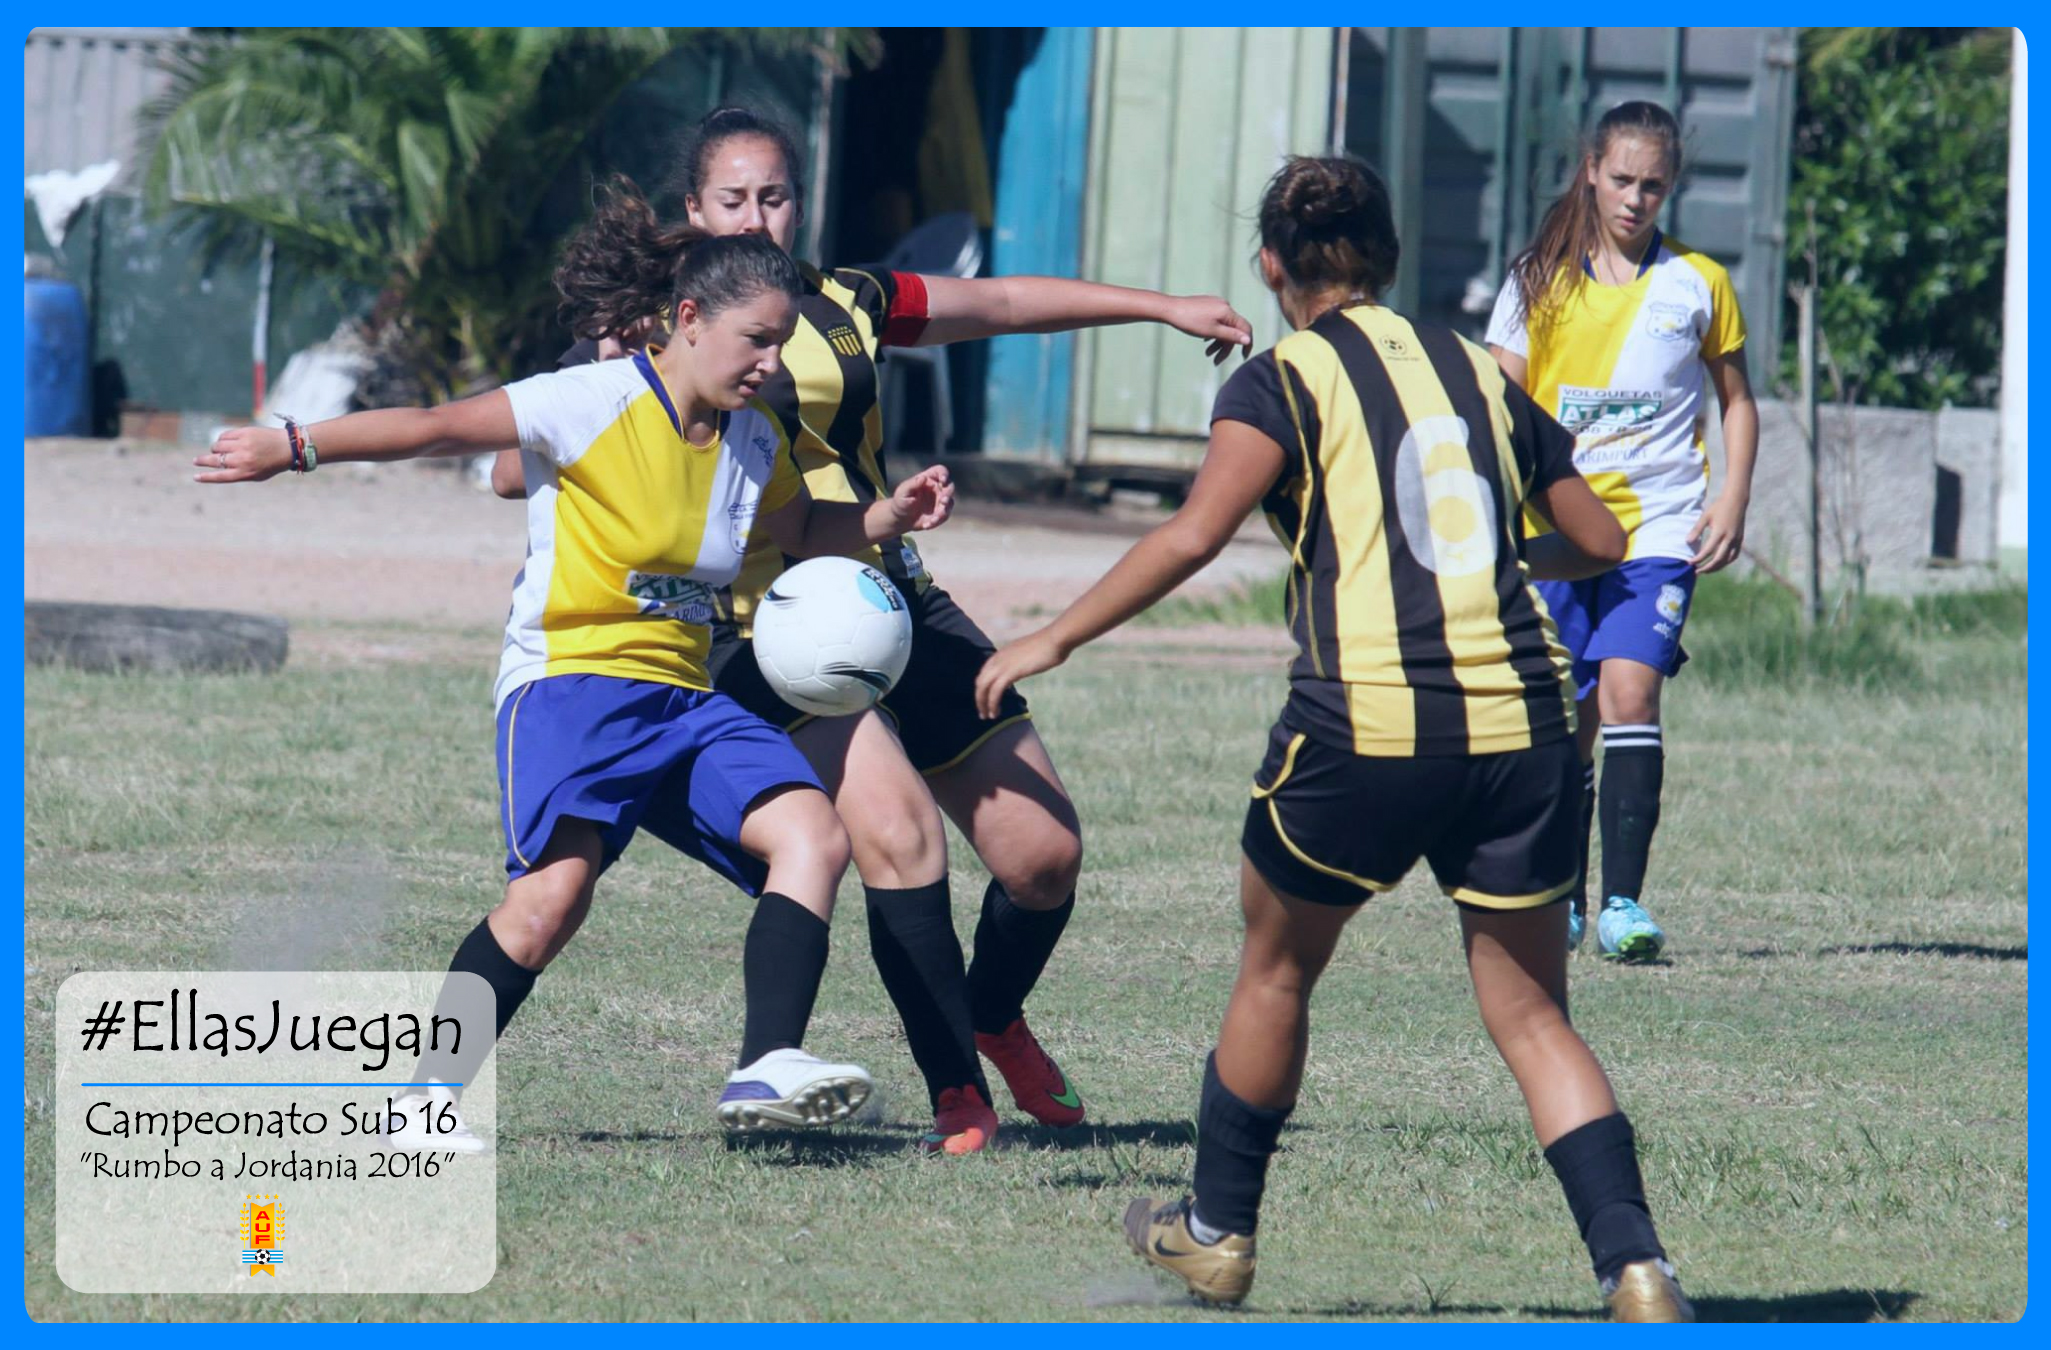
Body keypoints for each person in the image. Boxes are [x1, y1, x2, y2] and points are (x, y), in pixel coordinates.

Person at [976, 155, 1691, 1320]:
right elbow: (1601, 539)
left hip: (1363, 726)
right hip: (1518, 726)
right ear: (1391, 259)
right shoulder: (1483, 369)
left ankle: (1212, 1236)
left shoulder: (1277, 382)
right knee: (1530, 1014)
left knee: (1277, 967)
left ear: (1271, 267)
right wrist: (1504, 561)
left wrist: (1045, 640)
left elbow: (1191, 536)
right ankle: (1637, 1269)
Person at [492, 106, 1253, 1155]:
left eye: (774, 196)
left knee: (1042, 855)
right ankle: (955, 1094)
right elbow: (510, 461)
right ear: (693, 211)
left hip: (889, 592)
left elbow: (997, 302)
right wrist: (615, 373)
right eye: (732, 199)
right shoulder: (660, 327)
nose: (757, 216)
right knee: (892, 830)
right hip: (767, 627)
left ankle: (984, 1013)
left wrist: (1157, 307)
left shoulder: (842, 299)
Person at [197, 208, 958, 1145]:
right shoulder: (588, 400)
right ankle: (419, 1102)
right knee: (547, 905)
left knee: (812, 836)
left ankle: (765, 1069)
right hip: (572, 686)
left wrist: (890, 515)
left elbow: (800, 535)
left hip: (685, 698)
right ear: (687, 319)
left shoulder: (755, 434)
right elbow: (438, 426)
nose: (769, 361)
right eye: (754, 340)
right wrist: (297, 445)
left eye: (781, 343)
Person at [1485, 100, 1760, 961]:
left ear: (1668, 187)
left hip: (1660, 527)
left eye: (1653, 185)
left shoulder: (1697, 283)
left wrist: (1732, 499)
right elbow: (1498, 409)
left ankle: (1623, 907)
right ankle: (1561, 899)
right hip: (1561, 531)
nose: (1636, 200)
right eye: (1621, 181)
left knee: (1629, 692)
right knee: (1568, 723)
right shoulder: (1537, 279)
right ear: (1590, 174)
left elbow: (1737, 403)